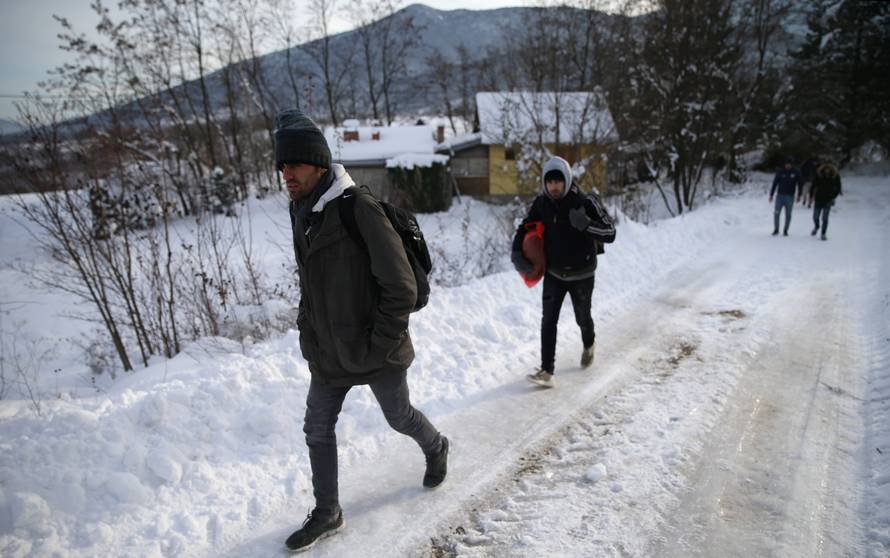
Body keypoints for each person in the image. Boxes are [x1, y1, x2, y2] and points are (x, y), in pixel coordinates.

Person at [277, 109, 449, 552]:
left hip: (376, 347)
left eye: (293, 164)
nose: (286, 173)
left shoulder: (359, 210)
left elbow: (401, 286)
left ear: (318, 164)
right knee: (317, 427)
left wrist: (382, 340)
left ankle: (436, 446)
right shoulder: (301, 211)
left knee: (399, 417)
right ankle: (328, 512)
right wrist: (307, 329)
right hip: (329, 351)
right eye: (281, 165)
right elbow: (309, 281)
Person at [511, 156, 616, 388]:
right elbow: (524, 227)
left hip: (582, 273)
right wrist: (516, 252)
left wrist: (586, 224)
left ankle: (589, 343)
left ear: (567, 180)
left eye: (558, 181)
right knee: (548, 320)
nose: (554, 187)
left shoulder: (586, 201)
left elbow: (610, 232)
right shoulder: (542, 203)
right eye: (549, 182)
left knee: (582, 317)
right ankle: (547, 371)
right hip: (555, 273)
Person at [808, 162, 843, 240]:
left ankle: (823, 233)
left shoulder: (835, 176)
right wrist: (811, 196)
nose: (827, 170)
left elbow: (838, 187)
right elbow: (813, 186)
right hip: (818, 198)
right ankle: (817, 226)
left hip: (828, 199)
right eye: (826, 169)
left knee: (825, 218)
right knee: (815, 216)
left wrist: (834, 196)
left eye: (829, 169)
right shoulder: (819, 175)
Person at [769, 159, 803, 236]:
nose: (788, 166)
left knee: (788, 214)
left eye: (789, 164)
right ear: (784, 164)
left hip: (790, 197)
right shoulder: (780, 172)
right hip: (780, 196)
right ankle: (776, 229)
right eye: (786, 164)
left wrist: (799, 195)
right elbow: (775, 183)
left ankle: (785, 230)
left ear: (791, 165)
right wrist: (771, 195)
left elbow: (800, 184)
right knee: (776, 213)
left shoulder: (795, 172)